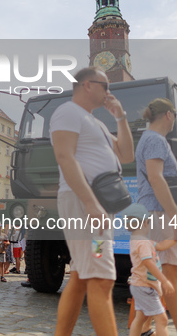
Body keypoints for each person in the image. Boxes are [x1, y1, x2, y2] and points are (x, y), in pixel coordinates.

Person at [50, 67, 134, 335]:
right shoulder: (67, 112)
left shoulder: (95, 122)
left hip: (95, 207)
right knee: (101, 278)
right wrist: (89, 203)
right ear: (87, 85)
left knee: (81, 277)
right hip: (83, 204)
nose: (109, 92)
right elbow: (65, 157)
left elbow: (126, 154)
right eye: (105, 85)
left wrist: (120, 117)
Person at [136, 98, 177, 336]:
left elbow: (161, 176)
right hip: (159, 214)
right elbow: (156, 178)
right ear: (169, 115)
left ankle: (145, 329)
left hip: (154, 213)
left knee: (160, 276)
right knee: (170, 274)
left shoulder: (150, 140)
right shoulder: (156, 140)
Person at [123, 203, 176, 336]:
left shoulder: (138, 240)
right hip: (145, 286)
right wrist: (164, 280)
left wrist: (176, 238)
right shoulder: (143, 243)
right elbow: (148, 263)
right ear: (146, 223)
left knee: (140, 318)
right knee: (162, 320)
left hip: (140, 285)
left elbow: (159, 246)